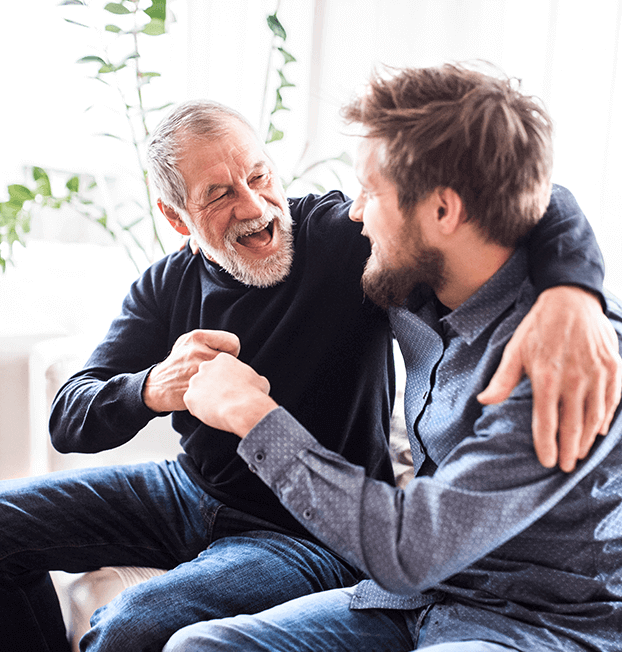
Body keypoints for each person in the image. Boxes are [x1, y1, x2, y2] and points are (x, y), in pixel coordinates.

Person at [0, 96, 616, 652]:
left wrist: (574, 292)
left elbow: (522, 194)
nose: (252, 205)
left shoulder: (344, 238)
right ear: (179, 219)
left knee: (132, 625)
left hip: (303, 527)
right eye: (218, 194)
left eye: (259, 176)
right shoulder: (166, 284)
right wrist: (154, 386)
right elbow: (69, 418)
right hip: (190, 490)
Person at [165, 64, 622, 652]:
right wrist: (573, 284)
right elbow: (547, 194)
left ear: (443, 211)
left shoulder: (556, 360)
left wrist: (250, 413)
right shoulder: (419, 278)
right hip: (424, 599)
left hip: (531, 624)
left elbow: (409, 550)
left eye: (371, 192)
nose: (355, 212)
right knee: (199, 646)